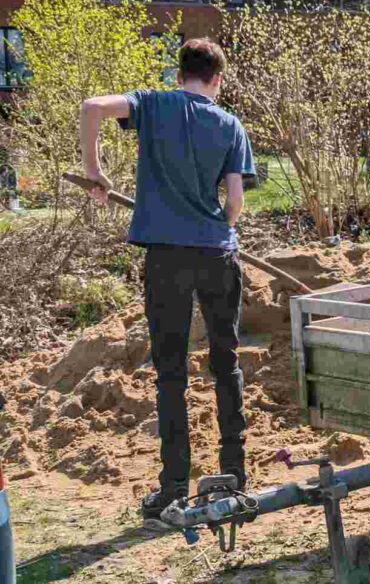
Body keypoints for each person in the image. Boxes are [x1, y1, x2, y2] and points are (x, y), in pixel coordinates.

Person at [78, 38, 256, 525]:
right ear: (216, 80)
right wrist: (218, 223)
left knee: (171, 372)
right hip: (219, 254)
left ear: (180, 74)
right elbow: (235, 204)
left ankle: (173, 487)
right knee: (226, 362)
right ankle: (234, 476)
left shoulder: (153, 104)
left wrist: (95, 173)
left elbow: (93, 107)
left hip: (166, 260)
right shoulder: (230, 125)